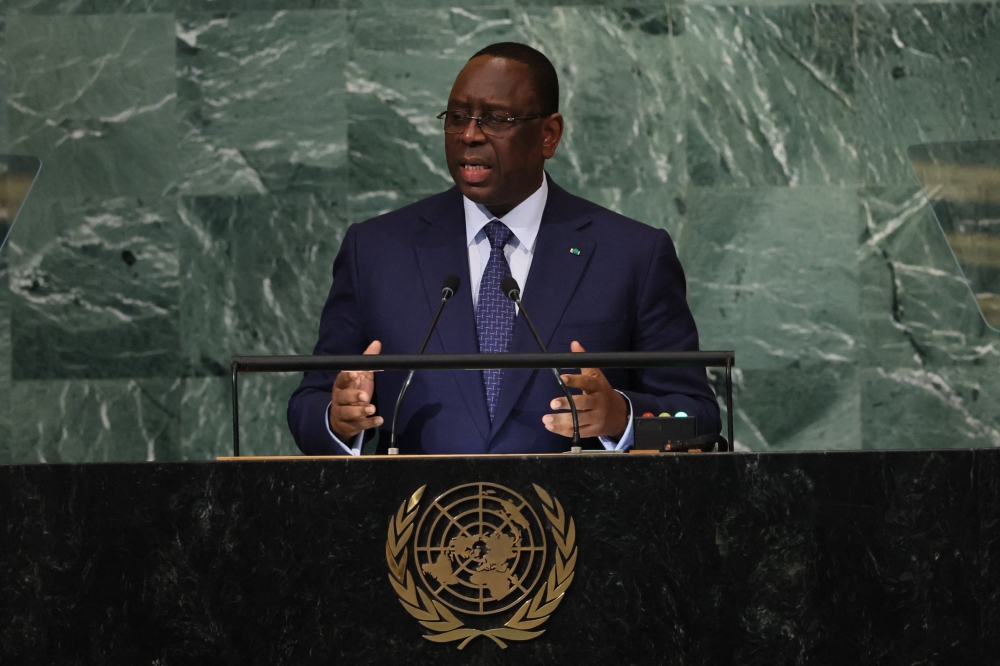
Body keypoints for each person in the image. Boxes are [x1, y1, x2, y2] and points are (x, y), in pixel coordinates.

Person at [287, 42, 720, 455]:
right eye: (457, 117)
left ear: (549, 134)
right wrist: (339, 419)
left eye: (496, 119)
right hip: (423, 525)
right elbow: (309, 402)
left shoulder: (632, 255)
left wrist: (621, 418)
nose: (469, 135)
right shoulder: (378, 251)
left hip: (583, 523)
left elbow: (696, 420)